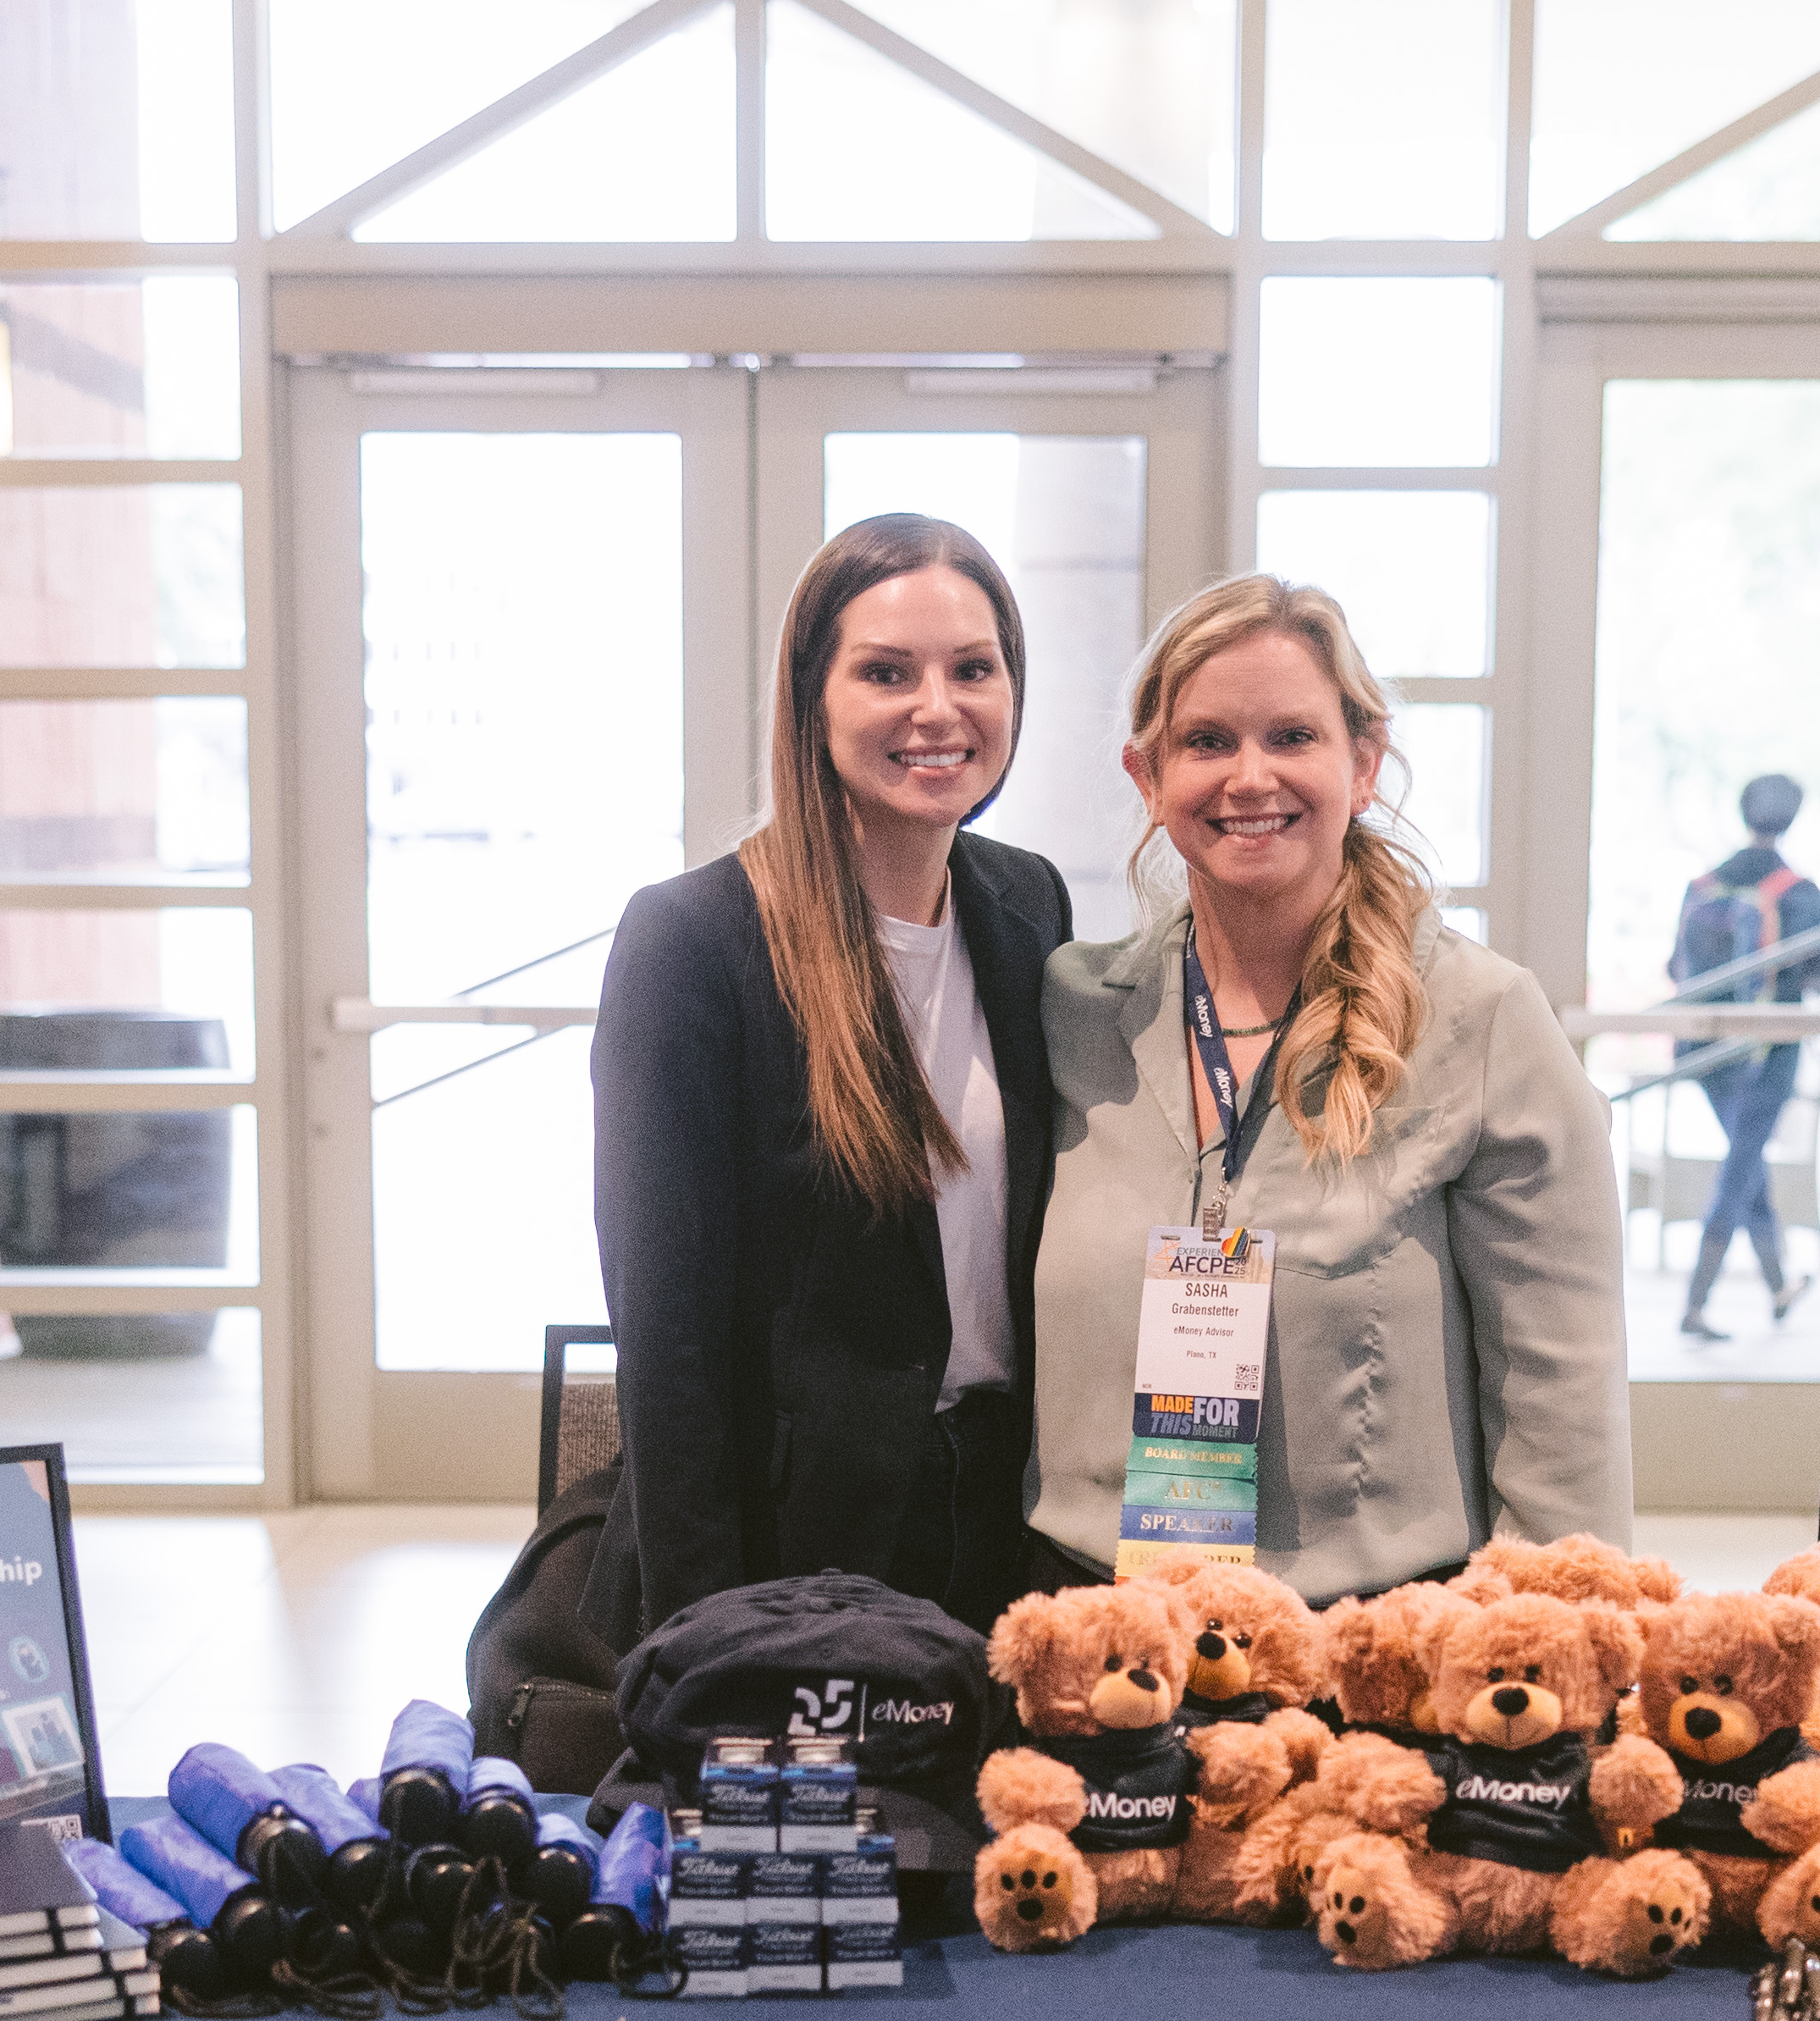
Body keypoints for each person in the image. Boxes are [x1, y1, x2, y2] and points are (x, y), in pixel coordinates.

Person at [1026, 574, 1631, 1600]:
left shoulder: (1482, 1019)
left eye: (1291, 737)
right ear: (1147, 775)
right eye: (1206, 741)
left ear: (1363, 761)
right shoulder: (1075, 1011)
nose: (1248, 777)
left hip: (1370, 1643)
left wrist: (1549, 1648)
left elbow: (1559, 1392)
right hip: (1096, 1618)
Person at [586, 516, 1072, 1643]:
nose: (937, 708)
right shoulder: (694, 939)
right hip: (793, 1550)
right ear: (812, 699)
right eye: (886, 672)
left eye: (973, 669)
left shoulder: (1025, 903)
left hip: (1006, 1529)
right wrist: (706, 1640)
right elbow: (670, 1342)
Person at [1668, 772, 1820, 1344]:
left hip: (1704, 1049)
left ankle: (1780, 1286)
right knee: (1741, 1165)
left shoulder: (1703, 885)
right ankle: (1695, 1302)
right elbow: (1814, 974)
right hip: (1769, 1051)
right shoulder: (1799, 893)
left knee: (1747, 1158)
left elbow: (1674, 967)